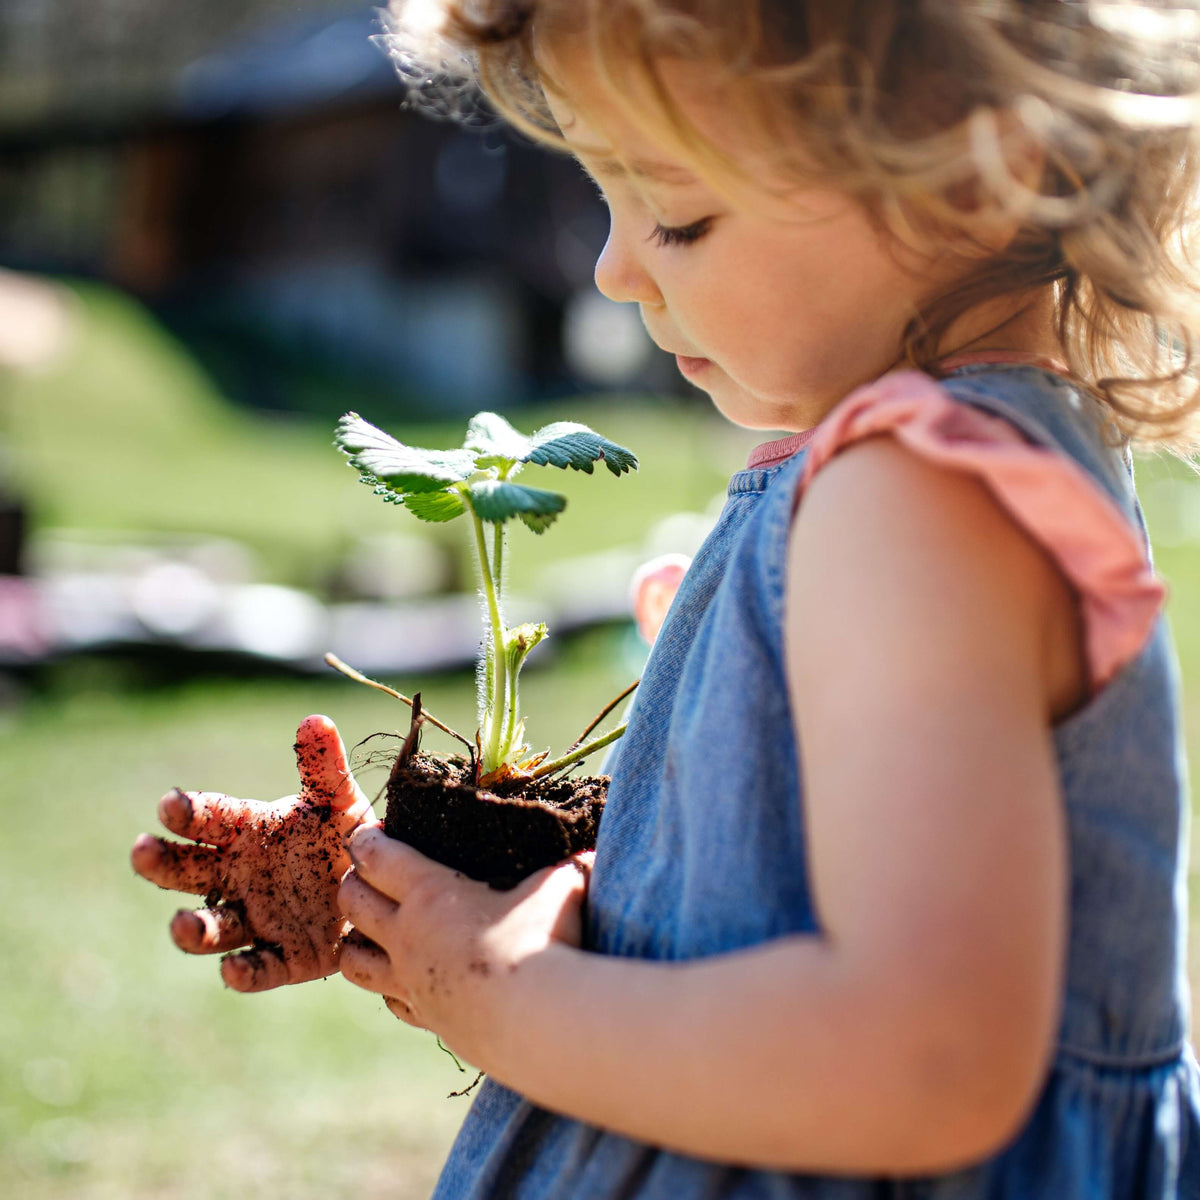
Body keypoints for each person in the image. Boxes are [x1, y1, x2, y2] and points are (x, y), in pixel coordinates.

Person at [132, 1, 1200, 1194]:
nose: (612, 265)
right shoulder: (932, 474)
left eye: (677, 214)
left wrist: (507, 996)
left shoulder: (917, 500)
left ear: (972, 174)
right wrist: (427, 901)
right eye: (606, 196)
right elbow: (764, 904)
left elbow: (925, 1060)